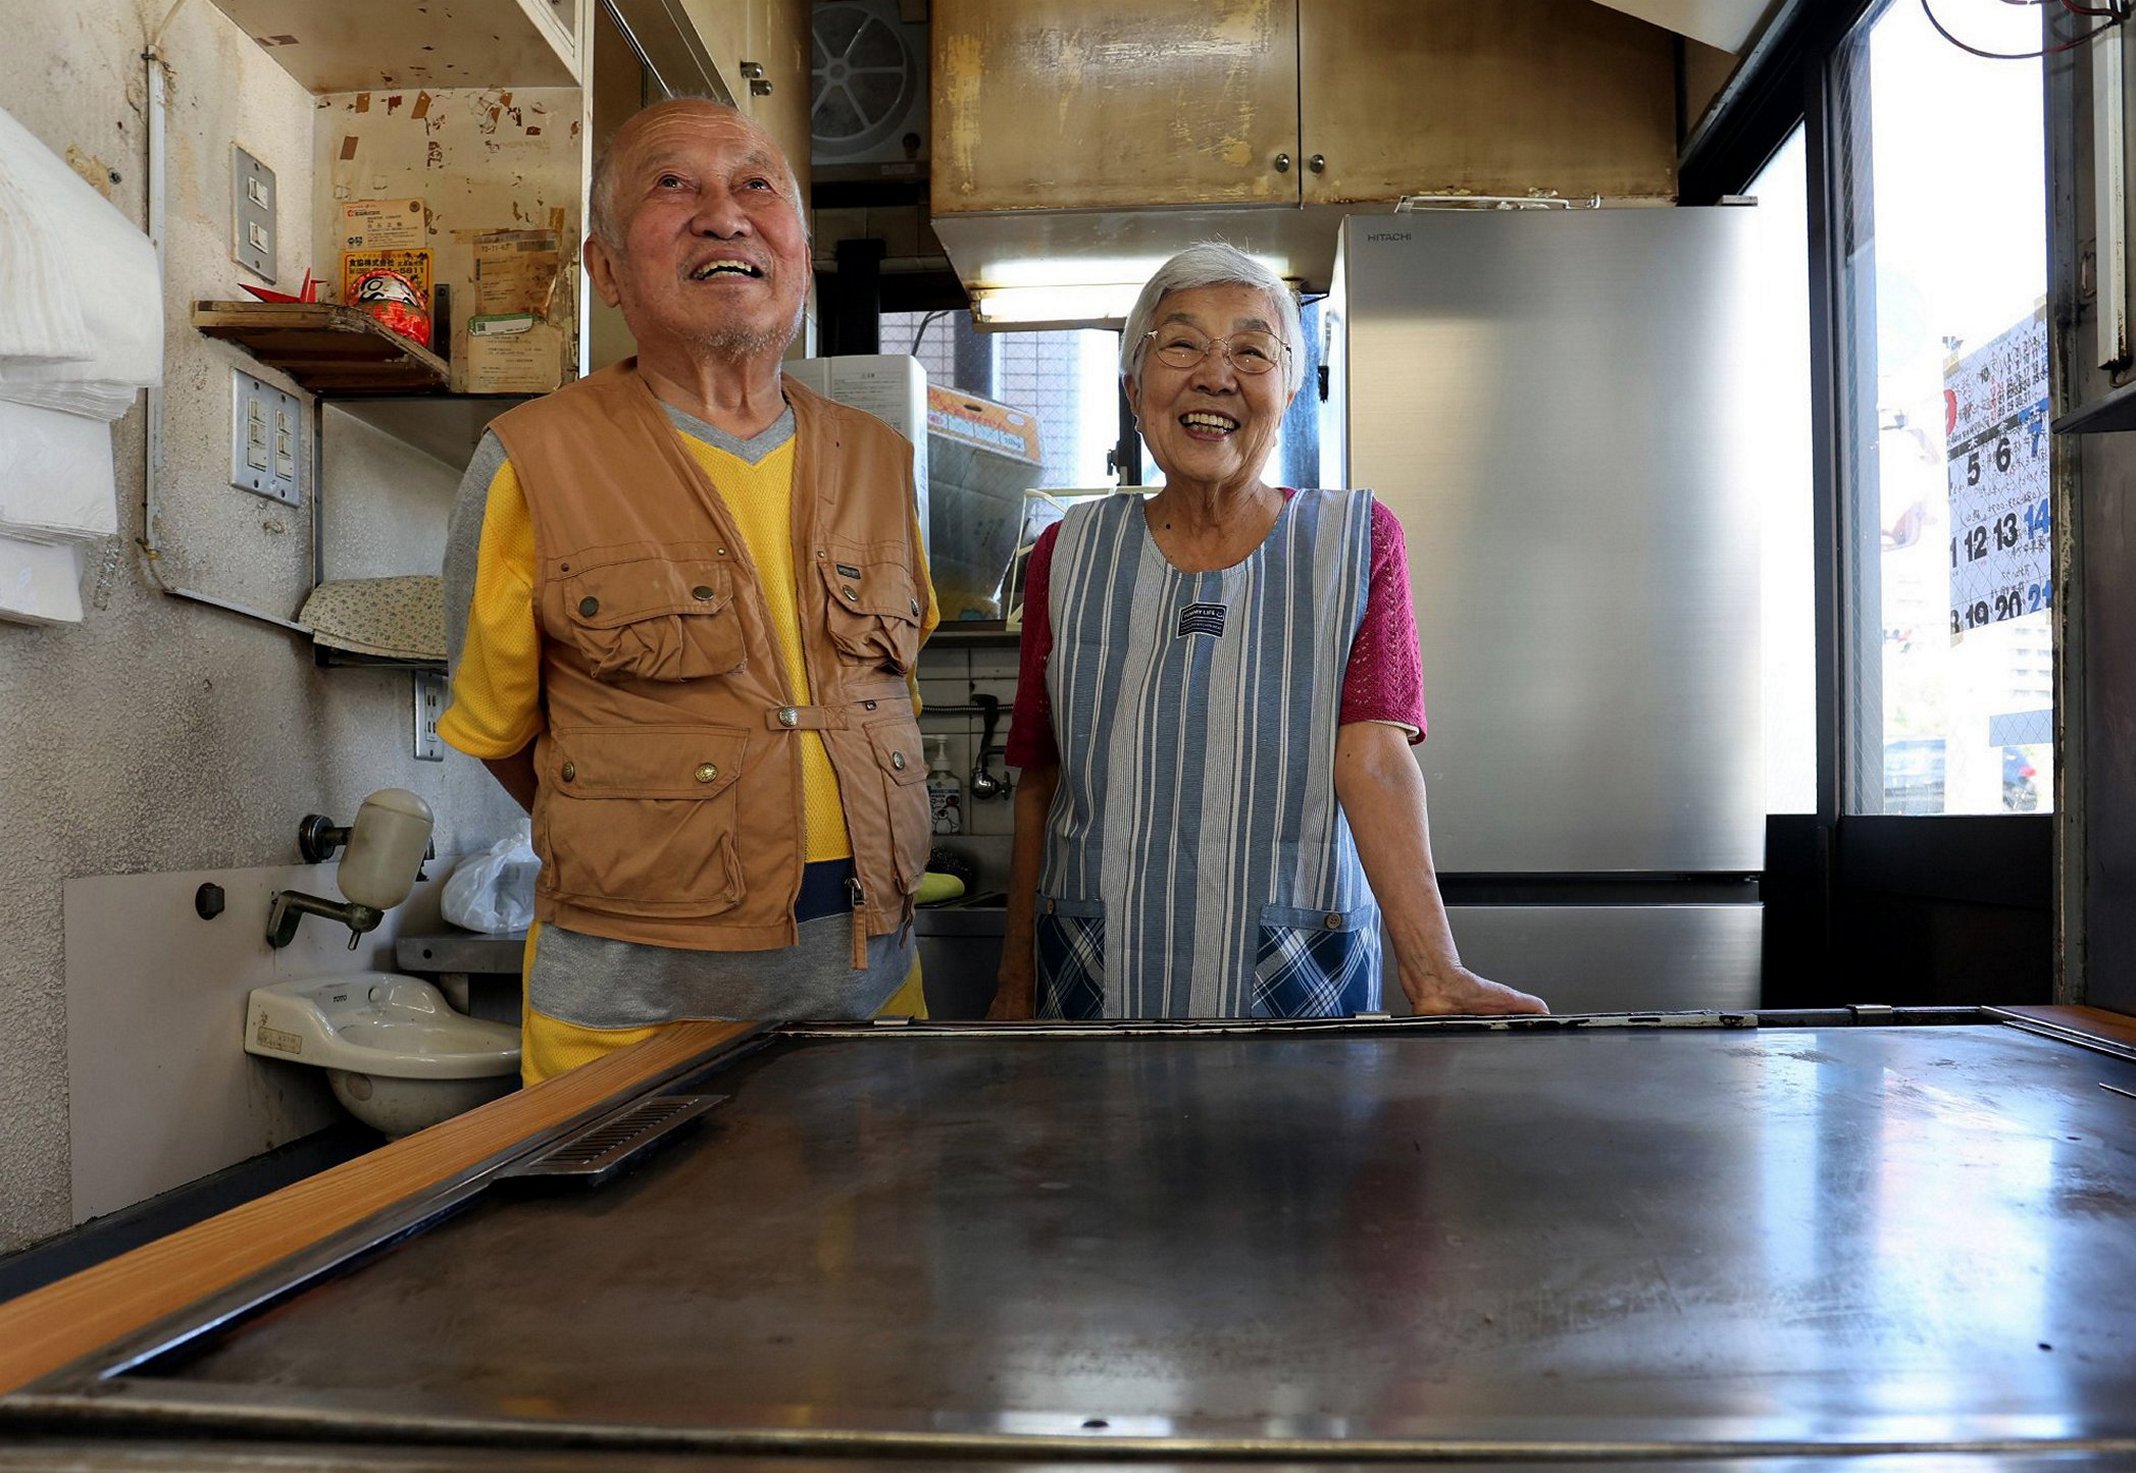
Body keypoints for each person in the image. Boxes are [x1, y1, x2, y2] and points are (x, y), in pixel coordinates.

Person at [440, 99, 937, 1084]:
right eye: (675, 185)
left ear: (799, 249)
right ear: (608, 268)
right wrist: (655, 843)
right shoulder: (529, 460)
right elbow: (502, 737)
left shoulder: (880, 461)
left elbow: (890, 701)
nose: (725, 213)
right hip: (627, 1033)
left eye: (757, 185)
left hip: (872, 1008)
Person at [991, 242, 1547, 1021]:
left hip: (1296, 979)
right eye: (1181, 344)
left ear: (1286, 393)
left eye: (1252, 351)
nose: (1216, 375)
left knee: (1304, 1146)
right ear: (1132, 385)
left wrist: (1435, 972)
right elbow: (1041, 780)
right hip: (1093, 979)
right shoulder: (1067, 552)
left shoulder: (1357, 544)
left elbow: (1375, 761)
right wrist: (1013, 987)